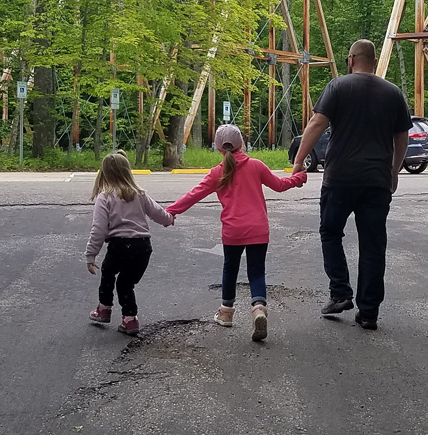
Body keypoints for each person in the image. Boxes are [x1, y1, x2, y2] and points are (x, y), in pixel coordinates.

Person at [291, 39, 411, 330]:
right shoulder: (393, 93)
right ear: (372, 60)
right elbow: (402, 137)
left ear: (350, 59)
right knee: (373, 244)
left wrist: (299, 160)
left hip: (340, 179)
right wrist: (393, 170)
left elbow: (317, 123)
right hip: (376, 181)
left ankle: (340, 293)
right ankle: (368, 312)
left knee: (330, 232)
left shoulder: (338, 86)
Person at [167, 124, 307, 342]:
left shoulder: (217, 173)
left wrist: (170, 211)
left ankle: (226, 313)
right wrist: (298, 178)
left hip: (232, 232)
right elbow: (280, 185)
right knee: (257, 271)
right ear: (242, 144)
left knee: (230, 269)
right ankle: (259, 309)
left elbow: (193, 195)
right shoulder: (256, 166)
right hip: (258, 230)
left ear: (218, 149)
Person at [84, 150, 174, 335]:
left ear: (104, 173)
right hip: (143, 247)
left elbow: (99, 229)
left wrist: (90, 254)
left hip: (119, 246)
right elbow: (158, 213)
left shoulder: (105, 197)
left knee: (108, 274)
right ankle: (130, 319)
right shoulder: (139, 194)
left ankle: (104, 309)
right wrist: (169, 219)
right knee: (125, 283)